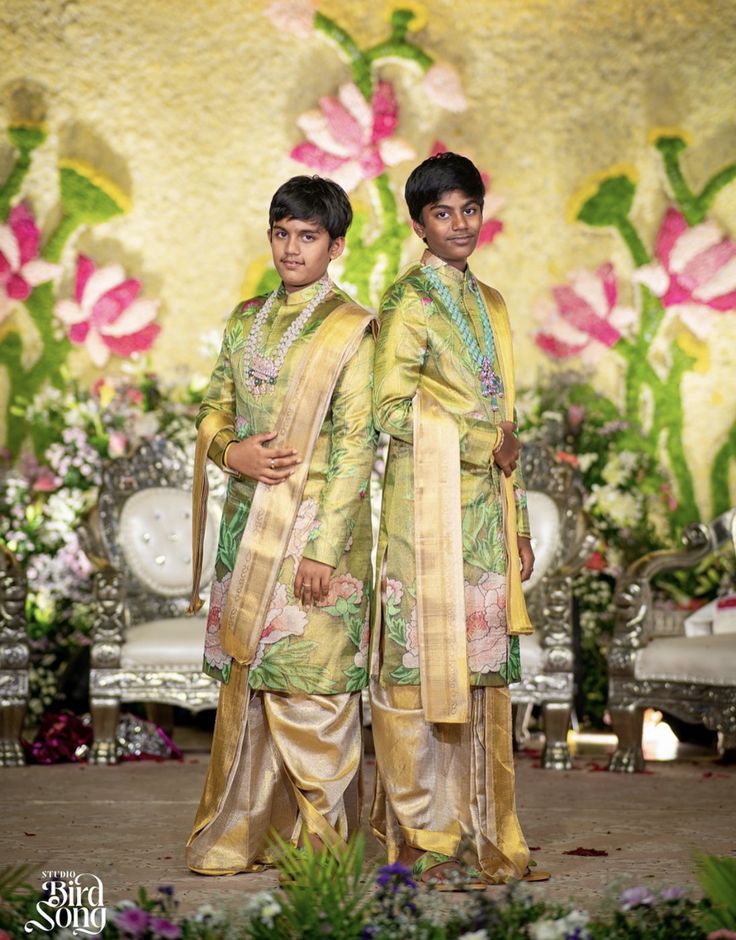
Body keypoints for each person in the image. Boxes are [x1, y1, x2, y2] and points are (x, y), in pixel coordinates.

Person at [186, 175, 377, 875]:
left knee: (313, 691)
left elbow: (358, 446)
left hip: (319, 537)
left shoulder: (353, 328)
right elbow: (213, 406)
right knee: (251, 687)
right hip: (249, 529)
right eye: (282, 233)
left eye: (307, 236)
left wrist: (325, 550)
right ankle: (243, 836)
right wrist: (227, 450)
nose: (291, 248)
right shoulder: (244, 319)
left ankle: (321, 855)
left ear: (336, 246)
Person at [370, 152, 548, 887]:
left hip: (484, 517)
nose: (460, 224)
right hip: (426, 516)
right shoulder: (409, 300)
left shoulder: (493, 302)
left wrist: (521, 529)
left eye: (469, 209)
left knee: (482, 683)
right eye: (443, 213)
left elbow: (508, 421)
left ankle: (487, 834)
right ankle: (423, 839)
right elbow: (388, 407)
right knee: (418, 681)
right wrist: (478, 444)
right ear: (418, 224)